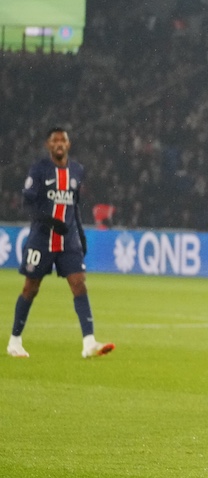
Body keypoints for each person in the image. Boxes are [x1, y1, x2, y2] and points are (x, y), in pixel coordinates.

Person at [9, 127, 114, 360]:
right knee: (30, 288)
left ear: (68, 144)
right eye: (54, 140)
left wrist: (81, 236)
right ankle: (14, 341)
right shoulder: (39, 169)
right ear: (48, 145)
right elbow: (28, 203)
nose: (59, 143)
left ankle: (89, 343)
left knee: (79, 284)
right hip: (41, 239)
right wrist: (49, 221)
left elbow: (74, 205)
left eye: (63, 140)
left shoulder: (77, 170)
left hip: (68, 239)